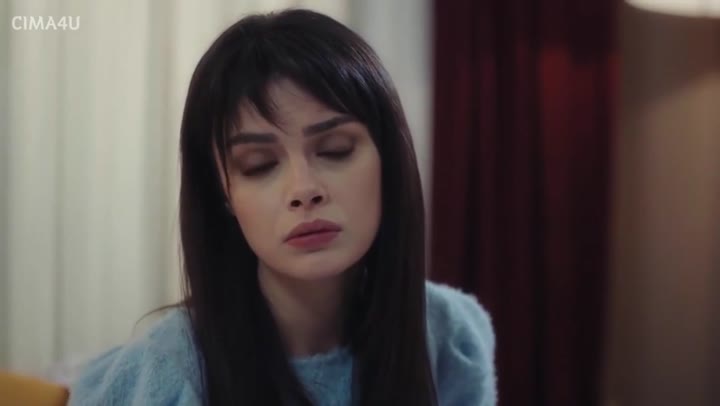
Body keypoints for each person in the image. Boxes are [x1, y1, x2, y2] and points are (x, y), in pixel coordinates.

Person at [68, 8, 497, 406]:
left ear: (389, 159)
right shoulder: (168, 374)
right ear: (223, 194)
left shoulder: (450, 335)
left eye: (335, 149)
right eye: (259, 165)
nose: (303, 189)